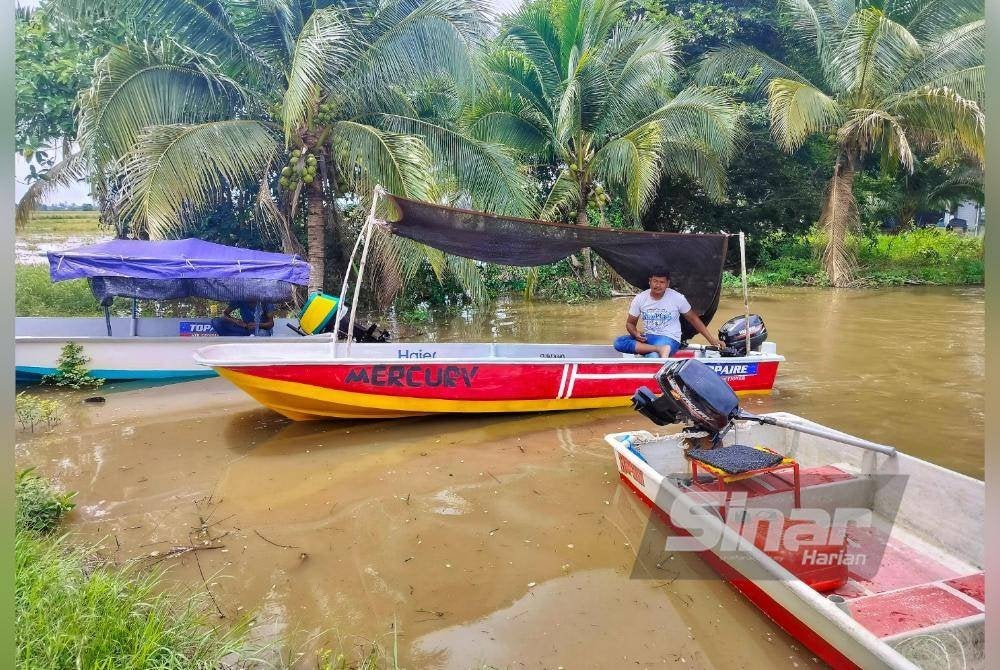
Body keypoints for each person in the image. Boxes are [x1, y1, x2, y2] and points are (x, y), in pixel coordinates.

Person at [614, 270, 722, 357]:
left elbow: (693, 319)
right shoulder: (640, 298)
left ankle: (654, 350)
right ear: (650, 281)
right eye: (655, 281)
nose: (658, 285)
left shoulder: (677, 298)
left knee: (653, 356)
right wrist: (635, 333)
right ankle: (658, 349)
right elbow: (630, 323)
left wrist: (711, 340)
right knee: (619, 342)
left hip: (669, 338)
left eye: (662, 282)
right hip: (648, 337)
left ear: (667, 284)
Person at [211, 301, 275, 337]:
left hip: (260, 331)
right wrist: (236, 321)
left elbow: (271, 324)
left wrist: (258, 325)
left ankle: (247, 340)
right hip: (244, 329)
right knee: (216, 322)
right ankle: (231, 340)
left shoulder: (266, 302)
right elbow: (224, 314)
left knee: (262, 333)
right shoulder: (241, 300)